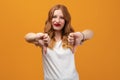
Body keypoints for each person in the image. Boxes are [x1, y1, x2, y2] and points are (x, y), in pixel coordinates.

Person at [24, 4, 93, 80]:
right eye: (54, 17)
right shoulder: (44, 39)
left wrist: (82, 35)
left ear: (66, 20)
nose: (57, 21)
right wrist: (36, 36)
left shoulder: (71, 38)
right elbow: (27, 37)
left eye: (62, 18)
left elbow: (90, 33)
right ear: (50, 19)